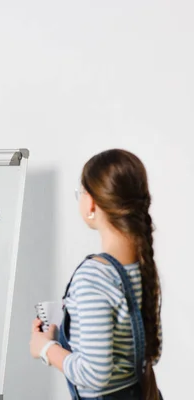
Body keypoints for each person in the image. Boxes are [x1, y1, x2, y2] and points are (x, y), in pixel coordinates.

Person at [30, 149, 163, 399]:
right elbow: (146, 349)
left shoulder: (93, 277)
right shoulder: (141, 264)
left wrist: (45, 348)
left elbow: (94, 375)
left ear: (91, 202)